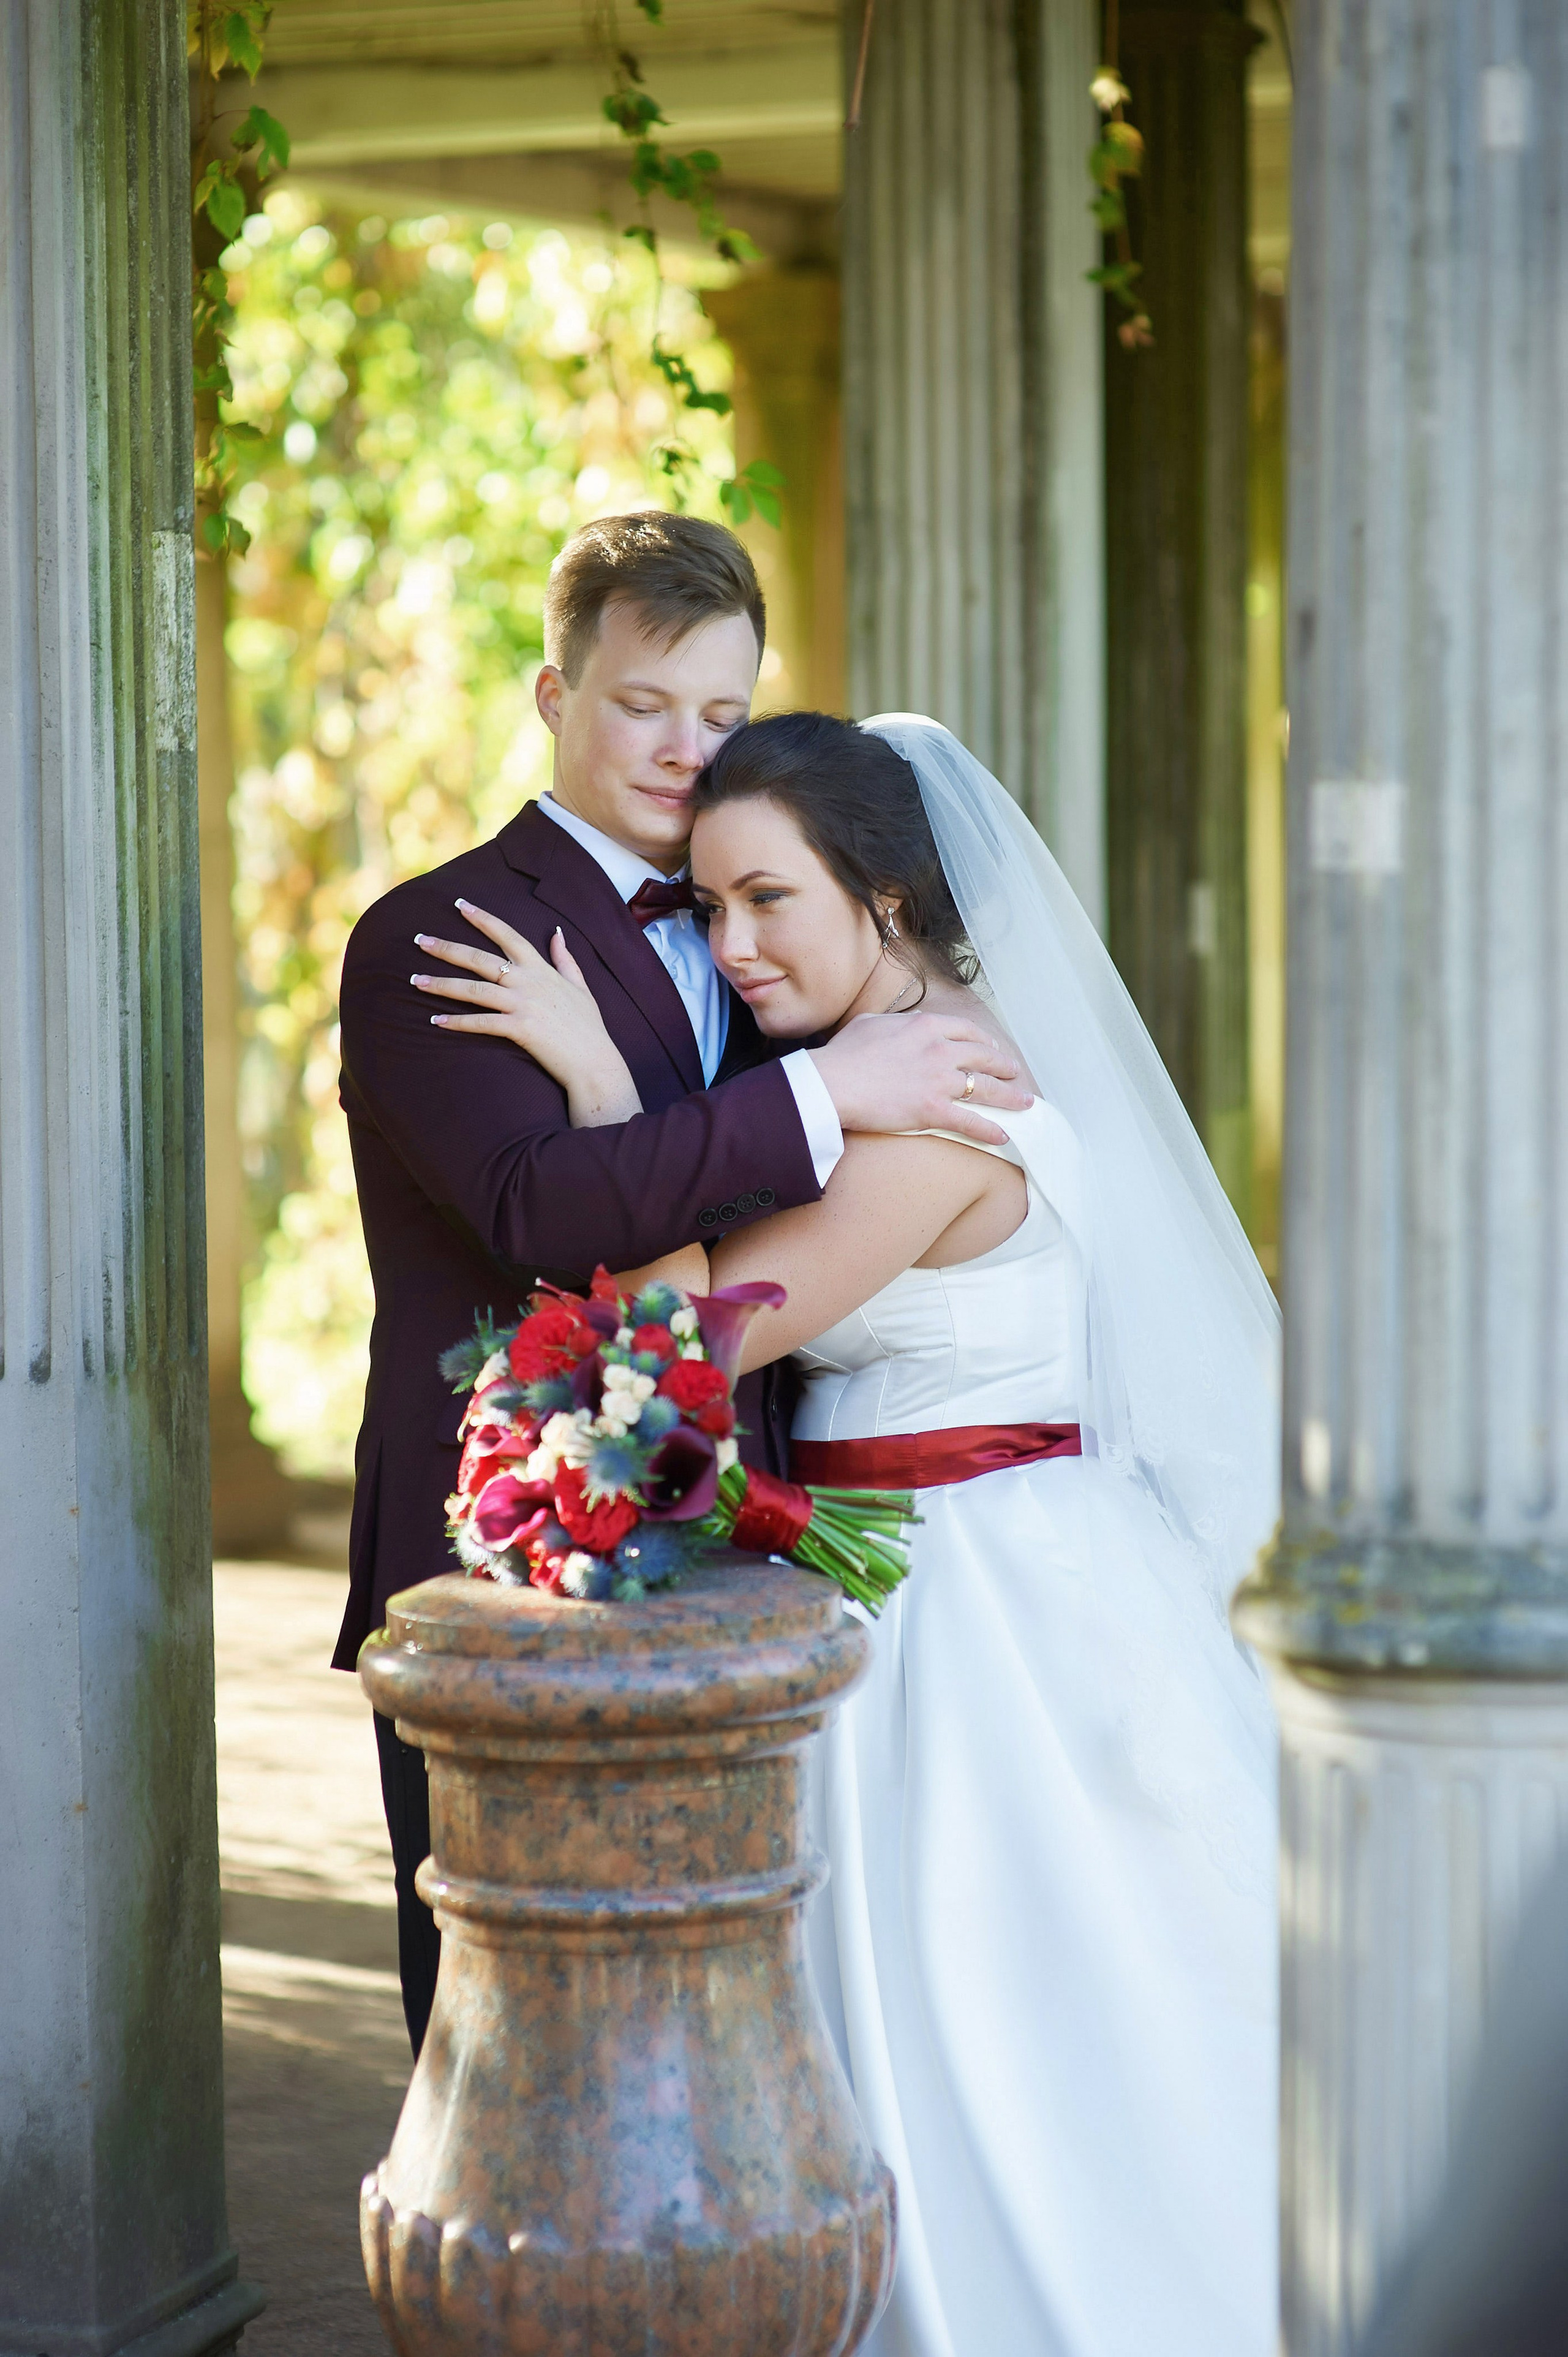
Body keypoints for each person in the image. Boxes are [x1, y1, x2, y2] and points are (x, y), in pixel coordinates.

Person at [414, 709, 1284, 2355]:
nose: (735, 945)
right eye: (709, 909)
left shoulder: (934, 1121)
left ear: (885, 896)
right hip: (975, 1559)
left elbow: (692, 1338)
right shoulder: (935, 1052)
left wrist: (599, 1088)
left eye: (771, 901)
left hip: (976, 1602)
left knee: (1000, 2022)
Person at [334, 518, 1030, 2057]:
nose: (682, 749)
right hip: (524, 1545)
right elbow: (535, 1207)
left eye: (720, 715)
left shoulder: (773, 927)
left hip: (768, 1542)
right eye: (645, 703)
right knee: (513, 2035)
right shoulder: (438, 938)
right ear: (551, 692)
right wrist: (825, 1093)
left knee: (739, 2027)